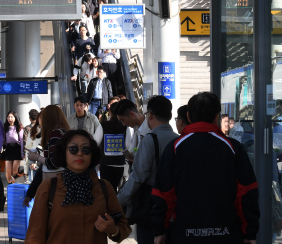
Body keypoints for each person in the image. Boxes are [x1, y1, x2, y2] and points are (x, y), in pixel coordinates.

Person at [152, 92, 259, 244]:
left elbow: (163, 193)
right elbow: (247, 192)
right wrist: (249, 232)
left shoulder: (175, 148)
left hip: (185, 234)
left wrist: (160, 230)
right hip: (227, 234)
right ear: (217, 116)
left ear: (188, 117)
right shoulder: (233, 148)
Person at [25, 130, 131, 244]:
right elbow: (34, 235)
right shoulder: (48, 188)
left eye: (85, 149)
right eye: (73, 149)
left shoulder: (104, 188)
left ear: (92, 154)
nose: (79, 153)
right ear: (64, 153)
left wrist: (113, 230)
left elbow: (123, 226)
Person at [117, 95, 178, 244]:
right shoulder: (179, 140)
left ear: (150, 115)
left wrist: (120, 199)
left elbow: (138, 177)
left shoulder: (150, 140)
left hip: (151, 208)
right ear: (170, 116)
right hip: (174, 208)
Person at [24, 105, 72, 205]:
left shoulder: (55, 134)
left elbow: (53, 163)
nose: (41, 121)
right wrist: (30, 193)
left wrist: (36, 157)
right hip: (65, 183)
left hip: (55, 185)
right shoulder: (65, 132)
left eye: (43, 118)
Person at [99, 101, 127, 193]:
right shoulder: (125, 126)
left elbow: (95, 141)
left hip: (105, 162)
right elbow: (129, 145)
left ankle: (108, 206)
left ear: (110, 112)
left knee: (106, 190)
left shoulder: (103, 126)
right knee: (114, 188)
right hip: (119, 163)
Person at [3, 110, 25, 183]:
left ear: (15, 118)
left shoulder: (19, 127)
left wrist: (22, 153)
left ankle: (14, 185)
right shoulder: (5, 127)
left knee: (15, 170)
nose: (9, 118)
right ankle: (10, 183)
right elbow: (3, 139)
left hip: (17, 148)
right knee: (8, 170)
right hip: (8, 148)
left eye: (11, 117)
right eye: (8, 117)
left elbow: (22, 141)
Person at [22, 109, 39, 181]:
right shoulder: (41, 128)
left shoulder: (27, 128)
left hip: (30, 153)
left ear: (30, 118)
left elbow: (25, 142)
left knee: (31, 175)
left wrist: (24, 152)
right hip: (40, 153)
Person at [25, 113, 42, 182]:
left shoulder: (52, 131)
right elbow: (28, 148)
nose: (43, 120)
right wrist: (26, 167)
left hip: (48, 165)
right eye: (40, 118)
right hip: (34, 164)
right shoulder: (33, 131)